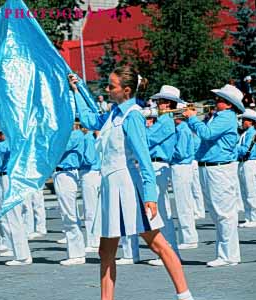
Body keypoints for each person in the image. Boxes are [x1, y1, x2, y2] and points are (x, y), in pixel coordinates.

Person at [70, 66, 194, 300]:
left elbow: (143, 157)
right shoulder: (114, 113)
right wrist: (77, 90)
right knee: (105, 252)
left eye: (111, 86)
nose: (107, 89)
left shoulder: (133, 115)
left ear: (126, 90)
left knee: (157, 244)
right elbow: (89, 119)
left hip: (128, 187)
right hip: (110, 188)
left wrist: (149, 194)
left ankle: (185, 296)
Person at [183, 84, 244, 267]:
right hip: (210, 167)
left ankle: (228, 255)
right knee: (218, 213)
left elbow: (207, 134)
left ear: (229, 105)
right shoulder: (218, 116)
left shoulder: (226, 117)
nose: (216, 101)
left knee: (224, 213)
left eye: (220, 99)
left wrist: (193, 119)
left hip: (219, 169)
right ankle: (225, 254)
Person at [0, 127, 32, 266]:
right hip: (4, 178)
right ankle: (21, 254)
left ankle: (22, 256)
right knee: (11, 217)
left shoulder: (12, 142)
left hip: (9, 178)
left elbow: (0, 150)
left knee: (14, 217)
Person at [144, 85, 182, 266]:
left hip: (158, 163)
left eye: (165, 102)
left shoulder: (166, 121)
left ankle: (170, 252)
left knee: (160, 209)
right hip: (155, 163)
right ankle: (169, 252)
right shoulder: (162, 119)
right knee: (159, 209)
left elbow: (148, 138)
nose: (160, 104)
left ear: (171, 104)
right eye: (160, 101)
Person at [52, 120, 87, 266]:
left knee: (70, 215)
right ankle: (74, 252)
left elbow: (59, 147)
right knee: (66, 214)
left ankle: (77, 253)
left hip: (67, 173)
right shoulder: (68, 135)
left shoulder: (76, 134)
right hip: (60, 174)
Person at [170, 103, 199, 249]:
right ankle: (188, 237)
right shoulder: (182, 129)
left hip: (180, 166)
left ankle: (189, 239)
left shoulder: (181, 129)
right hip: (182, 166)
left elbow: (180, 152)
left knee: (183, 204)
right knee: (184, 203)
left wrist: (167, 152)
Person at [237, 109, 256, 228]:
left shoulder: (252, 133)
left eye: (244, 120)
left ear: (251, 122)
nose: (242, 122)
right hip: (243, 163)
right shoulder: (245, 133)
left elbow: (245, 149)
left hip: (249, 163)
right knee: (244, 191)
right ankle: (248, 217)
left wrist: (232, 147)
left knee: (251, 192)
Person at [80, 128, 102, 253]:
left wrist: (78, 158)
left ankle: (93, 241)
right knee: (96, 210)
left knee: (89, 210)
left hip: (89, 172)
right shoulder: (95, 136)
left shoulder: (87, 137)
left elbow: (89, 158)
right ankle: (96, 239)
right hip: (98, 173)